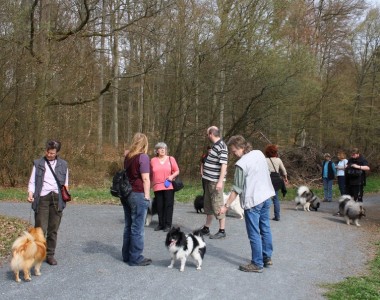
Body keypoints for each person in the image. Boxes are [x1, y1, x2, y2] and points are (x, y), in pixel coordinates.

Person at [219, 135, 275, 273]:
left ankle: (257, 263)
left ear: (241, 147)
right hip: (266, 197)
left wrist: (225, 206)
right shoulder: (259, 153)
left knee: (254, 233)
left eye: (234, 151)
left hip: (253, 201)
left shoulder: (241, 164)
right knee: (265, 228)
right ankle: (266, 257)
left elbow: (236, 189)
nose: (233, 154)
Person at [27, 140, 69, 266]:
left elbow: (66, 183)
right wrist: (30, 193)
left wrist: (65, 195)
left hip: (57, 199)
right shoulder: (38, 163)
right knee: (40, 230)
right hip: (42, 199)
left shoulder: (63, 165)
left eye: (52, 153)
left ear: (57, 153)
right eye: (48, 152)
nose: (49, 154)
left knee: (53, 229)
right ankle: (37, 254)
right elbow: (32, 181)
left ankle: (50, 255)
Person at [122, 133, 152, 266]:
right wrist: (147, 196)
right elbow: (145, 178)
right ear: (145, 144)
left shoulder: (128, 156)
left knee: (128, 225)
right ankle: (135, 257)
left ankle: (126, 255)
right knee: (138, 228)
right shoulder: (143, 157)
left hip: (126, 193)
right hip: (138, 193)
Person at [200, 126, 228, 239]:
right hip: (208, 180)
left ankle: (222, 230)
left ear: (211, 134)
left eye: (207, 134)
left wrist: (220, 181)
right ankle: (206, 228)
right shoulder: (215, 146)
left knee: (217, 204)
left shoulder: (221, 146)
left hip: (215, 181)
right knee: (208, 204)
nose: (207, 136)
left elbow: (224, 164)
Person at [150, 142, 179, 232]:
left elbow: (177, 170)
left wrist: (171, 176)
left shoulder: (171, 159)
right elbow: (150, 173)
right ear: (157, 150)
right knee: (159, 206)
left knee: (168, 206)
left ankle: (168, 225)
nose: (163, 150)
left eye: (164, 148)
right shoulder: (153, 160)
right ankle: (161, 224)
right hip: (157, 186)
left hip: (168, 185)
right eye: (160, 148)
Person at [264, 144, 288, 221]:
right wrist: (286, 178)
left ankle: (264, 215)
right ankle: (277, 216)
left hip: (268, 180)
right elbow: (284, 170)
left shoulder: (265, 160)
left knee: (265, 198)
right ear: (275, 152)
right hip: (276, 180)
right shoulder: (278, 160)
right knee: (276, 199)